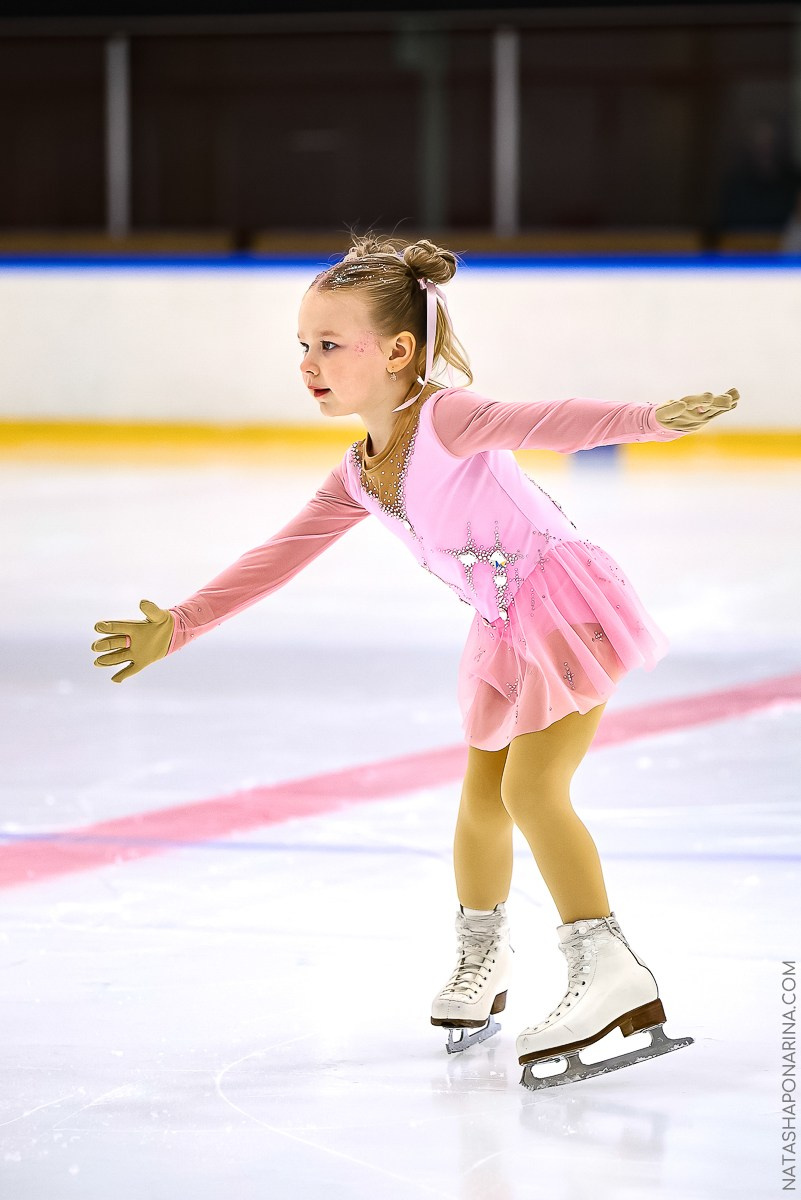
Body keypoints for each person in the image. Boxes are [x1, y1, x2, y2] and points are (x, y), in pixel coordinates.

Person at [91, 235, 738, 1090]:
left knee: (529, 791)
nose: (309, 364)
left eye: (329, 345)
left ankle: (609, 962)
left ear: (397, 351)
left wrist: (648, 420)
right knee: (480, 803)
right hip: (504, 626)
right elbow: (276, 557)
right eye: (302, 347)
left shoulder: (446, 415)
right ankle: (485, 959)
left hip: (565, 605)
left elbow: (547, 421)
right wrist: (178, 624)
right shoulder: (359, 473)